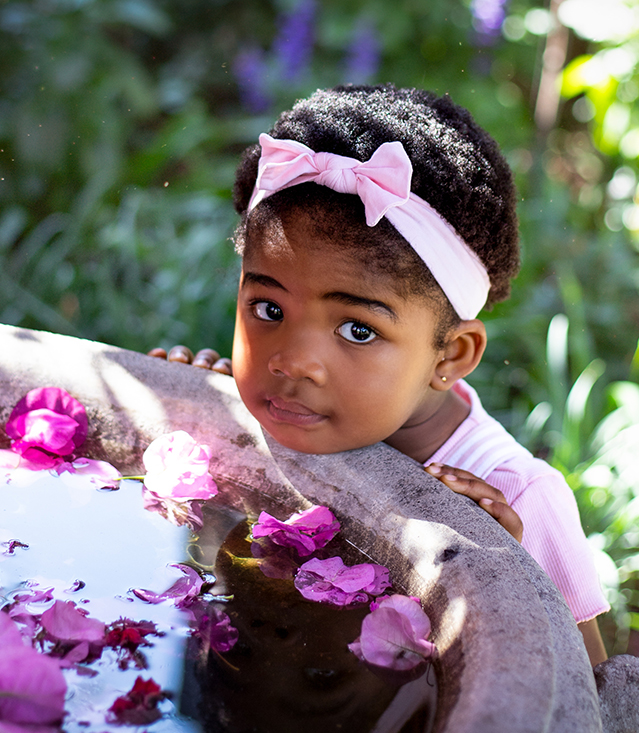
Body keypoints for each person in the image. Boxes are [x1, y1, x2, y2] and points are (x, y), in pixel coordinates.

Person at [149, 84, 609, 665]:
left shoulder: (514, 497)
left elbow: (586, 693)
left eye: (357, 330)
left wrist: (503, 581)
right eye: (269, 310)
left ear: (451, 355)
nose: (291, 361)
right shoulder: (285, 405)